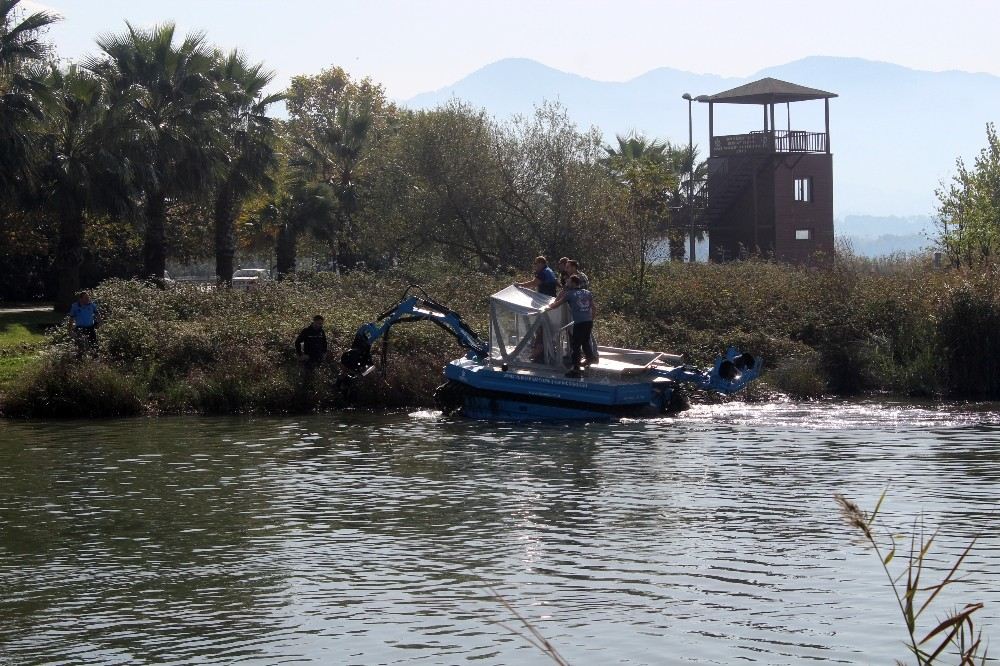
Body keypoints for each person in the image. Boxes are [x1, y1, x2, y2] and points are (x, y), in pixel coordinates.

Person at [545, 275, 596, 377]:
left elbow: (556, 304)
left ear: (573, 283)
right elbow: (594, 308)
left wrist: (547, 307)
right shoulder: (587, 293)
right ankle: (590, 358)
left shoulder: (570, 294)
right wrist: (591, 319)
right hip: (588, 322)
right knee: (585, 341)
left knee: (576, 345)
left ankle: (575, 369)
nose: (566, 284)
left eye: (568, 282)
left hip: (579, 323)